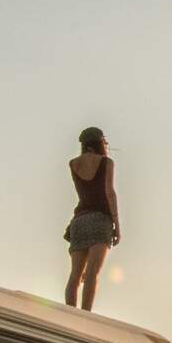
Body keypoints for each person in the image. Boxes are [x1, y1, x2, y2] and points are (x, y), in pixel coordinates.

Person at [63, 126, 119, 311]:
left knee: (75, 274)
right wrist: (116, 225)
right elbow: (109, 193)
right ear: (99, 143)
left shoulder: (73, 164)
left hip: (78, 221)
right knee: (92, 273)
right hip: (99, 220)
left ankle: (70, 312)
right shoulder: (106, 162)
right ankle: (86, 314)